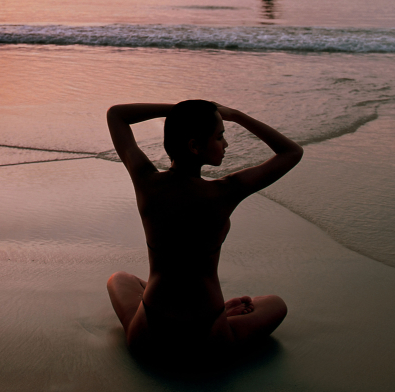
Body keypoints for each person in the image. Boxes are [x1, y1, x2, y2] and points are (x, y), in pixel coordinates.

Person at [105, 100, 303, 365]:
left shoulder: (146, 181)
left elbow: (116, 115)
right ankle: (227, 315)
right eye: (220, 136)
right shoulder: (225, 191)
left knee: (119, 278)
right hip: (208, 337)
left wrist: (182, 112)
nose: (226, 145)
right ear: (194, 146)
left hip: (147, 336)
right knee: (275, 304)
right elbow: (291, 152)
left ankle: (218, 314)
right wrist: (235, 114)